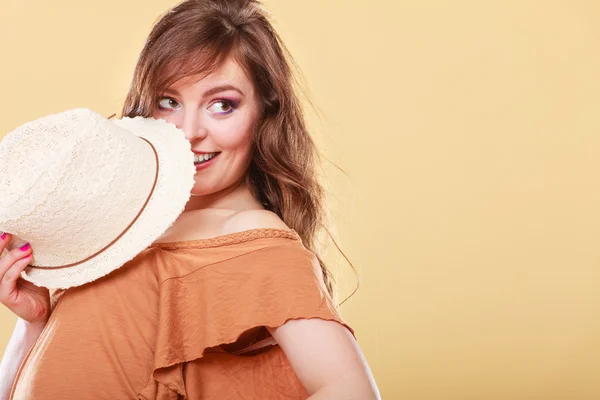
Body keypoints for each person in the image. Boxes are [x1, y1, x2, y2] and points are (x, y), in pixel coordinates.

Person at [0, 0, 380, 398]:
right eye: (170, 102)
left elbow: (351, 391)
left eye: (222, 105)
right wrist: (35, 322)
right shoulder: (117, 222)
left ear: (264, 112)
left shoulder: (253, 241)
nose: (188, 131)